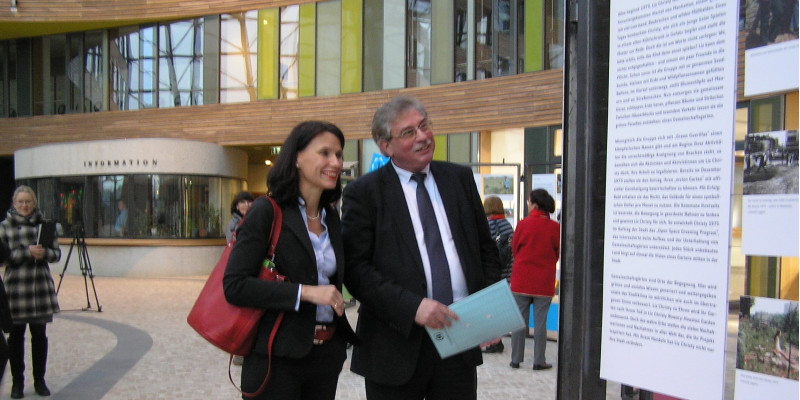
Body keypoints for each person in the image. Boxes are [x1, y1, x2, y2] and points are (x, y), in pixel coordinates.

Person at [341, 95, 501, 400]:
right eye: (408, 132)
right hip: (395, 347)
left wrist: (488, 309)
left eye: (424, 126)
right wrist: (413, 307)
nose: (423, 137)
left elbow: (484, 249)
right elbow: (357, 271)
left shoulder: (459, 179)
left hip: (459, 340)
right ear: (385, 146)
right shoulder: (365, 193)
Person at [223, 121, 359, 400]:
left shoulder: (330, 217)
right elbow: (235, 285)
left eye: (339, 154)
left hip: (325, 358)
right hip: (276, 359)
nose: (335, 162)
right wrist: (306, 292)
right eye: (325, 153)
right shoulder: (266, 211)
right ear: (296, 157)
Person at [0, 186, 61, 398]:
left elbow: (56, 254)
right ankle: (17, 383)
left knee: (39, 336)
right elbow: (2, 257)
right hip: (16, 289)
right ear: (14, 204)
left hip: (39, 288)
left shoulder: (45, 226)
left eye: (28, 202)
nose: (25, 205)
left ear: (34, 203)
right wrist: (26, 252)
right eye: (21, 202)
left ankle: (40, 381)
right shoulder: (4, 227)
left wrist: (45, 253)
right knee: (15, 338)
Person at [508, 189, 560, 371]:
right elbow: (557, 253)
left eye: (530, 202)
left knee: (519, 322)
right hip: (543, 281)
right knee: (540, 323)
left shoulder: (523, 224)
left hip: (522, 278)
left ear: (535, 205)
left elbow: (515, 249)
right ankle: (539, 360)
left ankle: (515, 359)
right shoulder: (555, 228)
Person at [479, 195, 515, 354]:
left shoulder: (488, 226)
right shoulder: (508, 226)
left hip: (492, 275)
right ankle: (497, 340)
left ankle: (494, 342)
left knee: (489, 311)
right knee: (498, 310)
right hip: (506, 275)